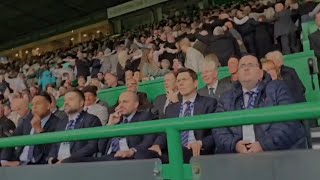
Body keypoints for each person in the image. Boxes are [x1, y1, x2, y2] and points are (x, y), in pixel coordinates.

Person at [213, 55, 307, 154]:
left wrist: (263, 145)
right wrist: (235, 144)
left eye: (251, 65)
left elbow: (288, 121)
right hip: (240, 158)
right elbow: (219, 129)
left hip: (275, 155)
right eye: (242, 66)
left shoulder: (277, 88)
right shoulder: (225, 98)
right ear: (238, 75)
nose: (246, 68)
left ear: (261, 73)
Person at [147, 68, 217, 163]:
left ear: (195, 83)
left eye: (184, 80)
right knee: (145, 154)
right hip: (174, 152)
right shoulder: (171, 108)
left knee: (182, 153)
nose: (180, 83)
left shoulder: (209, 103)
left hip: (197, 151)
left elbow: (215, 132)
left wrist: (201, 143)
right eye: (178, 81)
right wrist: (157, 145)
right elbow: (165, 132)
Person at [63, 91, 155, 162]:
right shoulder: (116, 120)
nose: (121, 105)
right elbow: (101, 147)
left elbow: (148, 140)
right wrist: (110, 126)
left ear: (136, 104)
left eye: (125, 102)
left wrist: (132, 150)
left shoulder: (145, 116)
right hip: (108, 157)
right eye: (120, 102)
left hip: (128, 156)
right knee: (69, 161)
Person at [1, 92, 60, 166]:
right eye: (32, 105)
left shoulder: (58, 123)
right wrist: (4, 160)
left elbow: (50, 151)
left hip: (39, 165)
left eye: (38, 104)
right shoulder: (27, 120)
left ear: (48, 106)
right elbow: (12, 138)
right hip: (19, 162)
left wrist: (39, 130)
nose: (34, 107)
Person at [47, 89, 102, 164]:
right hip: (57, 164)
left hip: (77, 164)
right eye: (65, 100)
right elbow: (54, 144)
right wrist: (51, 158)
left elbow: (92, 146)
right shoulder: (61, 122)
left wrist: (68, 160)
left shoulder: (91, 120)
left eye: (70, 99)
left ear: (81, 103)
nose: (66, 102)